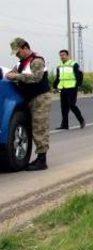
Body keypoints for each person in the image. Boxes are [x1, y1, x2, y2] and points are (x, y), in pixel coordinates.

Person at [5, 38, 51, 171]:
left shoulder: (37, 61)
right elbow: (10, 73)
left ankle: (42, 161)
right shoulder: (21, 63)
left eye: (18, 52)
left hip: (40, 98)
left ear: (25, 48)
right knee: (33, 127)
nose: (17, 55)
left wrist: (16, 76)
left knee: (39, 127)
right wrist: (12, 75)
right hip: (30, 99)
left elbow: (36, 78)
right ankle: (39, 158)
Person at [53, 49, 85, 130]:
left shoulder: (73, 64)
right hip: (63, 88)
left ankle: (81, 121)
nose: (62, 56)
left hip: (72, 88)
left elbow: (80, 75)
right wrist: (55, 86)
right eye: (60, 55)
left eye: (63, 55)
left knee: (72, 105)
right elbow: (58, 77)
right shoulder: (59, 66)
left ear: (67, 56)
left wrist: (78, 85)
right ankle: (64, 125)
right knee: (63, 107)